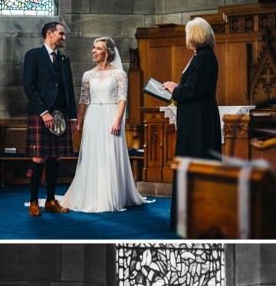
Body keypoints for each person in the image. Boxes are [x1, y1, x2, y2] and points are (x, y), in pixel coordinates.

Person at [59, 38, 146, 213]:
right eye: (93, 48)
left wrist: (118, 120)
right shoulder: (87, 75)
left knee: (109, 155)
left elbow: (123, 99)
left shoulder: (119, 74)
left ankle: (111, 196)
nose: (94, 51)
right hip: (92, 117)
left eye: (98, 48)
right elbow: (83, 101)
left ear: (108, 52)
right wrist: (78, 123)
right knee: (93, 155)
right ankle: (91, 195)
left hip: (111, 116)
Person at [162, 17, 221, 233]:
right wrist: (178, 87)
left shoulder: (204, 58)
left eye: (188, 33)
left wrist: (173, 89)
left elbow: (194, 91)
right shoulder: (200, 57)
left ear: (195, 35)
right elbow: (194, 86)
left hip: (199, 121)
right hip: (196, 117)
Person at [23, 21, 78, 217]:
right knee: (39, 158)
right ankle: (33, 202)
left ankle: (51, 200)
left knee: (56, 157)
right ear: (49, 33)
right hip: (41, 114)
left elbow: (69, 90)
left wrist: (72, 117)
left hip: (61, 115)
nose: (64, 38)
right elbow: (29, 86)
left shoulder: (64, 59)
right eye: (61, 34)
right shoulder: (33, 56)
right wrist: (44, 112)